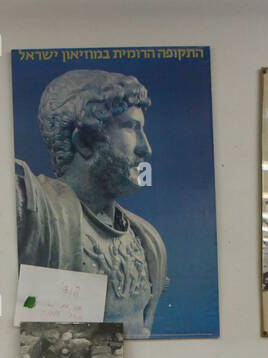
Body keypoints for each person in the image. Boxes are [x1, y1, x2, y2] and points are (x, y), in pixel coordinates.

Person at [16, 69, 168, 338]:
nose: (146, 148)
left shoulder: (146, 239)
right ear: (85, 141)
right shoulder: (34, 213)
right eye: (132, 128)